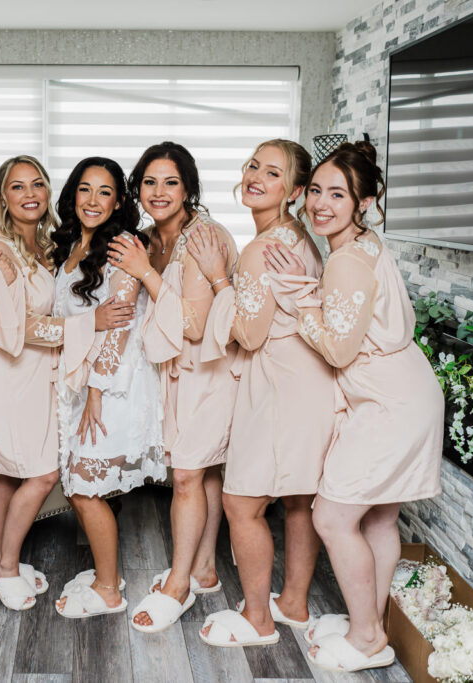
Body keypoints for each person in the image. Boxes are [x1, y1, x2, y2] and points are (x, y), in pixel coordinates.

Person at [264, 141, 444, 673]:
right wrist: (308, 283)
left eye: (337, 194)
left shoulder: (345, 261)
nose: (320, 203)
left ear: (364, 201)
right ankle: (370, 623)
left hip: (388, 404)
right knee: (380, 519)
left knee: (333, 515)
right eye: (315, 190)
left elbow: (339, 346)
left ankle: (368, 639)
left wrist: (297, 301)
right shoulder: (365, 245)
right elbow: (351, 314)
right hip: (408, 391)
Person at [0, 155, 135, 610]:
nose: (29, 194)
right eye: (17, 186)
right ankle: (4, 566)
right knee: (40, 473)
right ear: (3, 196)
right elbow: (16, 327)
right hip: (4, 370)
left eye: (37, 184)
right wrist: (90, 322)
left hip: (36, 371)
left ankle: (1, 557)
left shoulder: (42, 244)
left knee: (11, 472)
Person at [187, 140, 335, 648]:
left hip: (277, 388)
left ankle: (257, 618)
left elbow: (248, 335)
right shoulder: (301, 239)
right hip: (311, 384)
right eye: (253, 165)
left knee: (240, 503)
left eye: (272, 173)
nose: (255, 176)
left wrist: (218, 279)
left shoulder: (258, 251)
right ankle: (292, 604)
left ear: (293, 191)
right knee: (298, 499)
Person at [106, 142, 239, 633]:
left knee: (186, 477)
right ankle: (204, 568)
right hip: (171, 374)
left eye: (171, 182)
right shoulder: (146, 237)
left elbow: (195, 323)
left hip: (208, 373)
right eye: (149, 182)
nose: (158, 192)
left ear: (189, 188)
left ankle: (179, 584)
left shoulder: (204, 238)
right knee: (201, 475)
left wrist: (144, 273)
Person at [50, 157, 166, 619]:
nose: (93, 200)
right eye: (84, 189)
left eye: (104, 192)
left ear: (119, 200)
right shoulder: (73, 243)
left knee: (83, 487)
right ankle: (108, 573)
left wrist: (95, 391)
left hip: (112, 382)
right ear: (73, 195)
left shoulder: (120, 246)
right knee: (78, 481)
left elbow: (119, 327)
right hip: (79, 376)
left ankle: (108, 590)